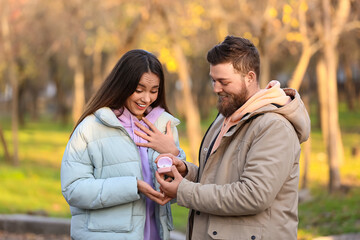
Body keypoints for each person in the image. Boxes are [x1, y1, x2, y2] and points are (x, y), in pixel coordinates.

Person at [155, 36, 311, 239]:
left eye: (224, 81)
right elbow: (221, 178)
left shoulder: (274, 127)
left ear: (250, 77)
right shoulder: (226, 118)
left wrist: (184, 191)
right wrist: (187, 172)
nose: (216, 88)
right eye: (213, 80)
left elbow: (253, 195)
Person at [60, 49, 186, 240]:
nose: (146, 98)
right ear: (122, 85)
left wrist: (174, 153)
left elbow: (177, 191)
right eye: (138, 90)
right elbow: (74, 190)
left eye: (154, 91)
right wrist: (133, 187)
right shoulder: (92, 127)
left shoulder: (164, 126)